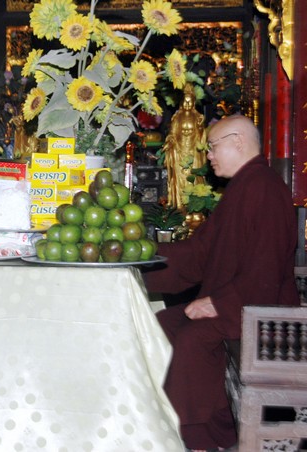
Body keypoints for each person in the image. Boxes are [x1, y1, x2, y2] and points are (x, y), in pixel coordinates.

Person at [143, 114, 300, 451]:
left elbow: (266, 269)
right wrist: (143, 258)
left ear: (238, 142)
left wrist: (218, 303)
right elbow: (200, 253)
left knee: (193, 338)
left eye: (213, 146)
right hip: (241, 302)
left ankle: (202, 437)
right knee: (165, 322)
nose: (209, 155)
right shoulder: (244, 185)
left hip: (265, 314)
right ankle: (180, 423)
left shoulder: (265, 189)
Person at [162, 83, 207, 211]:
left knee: (193, 179)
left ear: (194, 103)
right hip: (180, 151)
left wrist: (200, 127)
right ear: (181, 103)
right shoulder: (177, 118)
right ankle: (179, 206)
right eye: (185, 102)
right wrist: (171, 141)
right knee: (179, 179)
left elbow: (202, 137)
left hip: (193, 152)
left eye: (190, 102)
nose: (187, 104)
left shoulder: (197, 117)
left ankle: (194, 207)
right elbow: (172, 134)